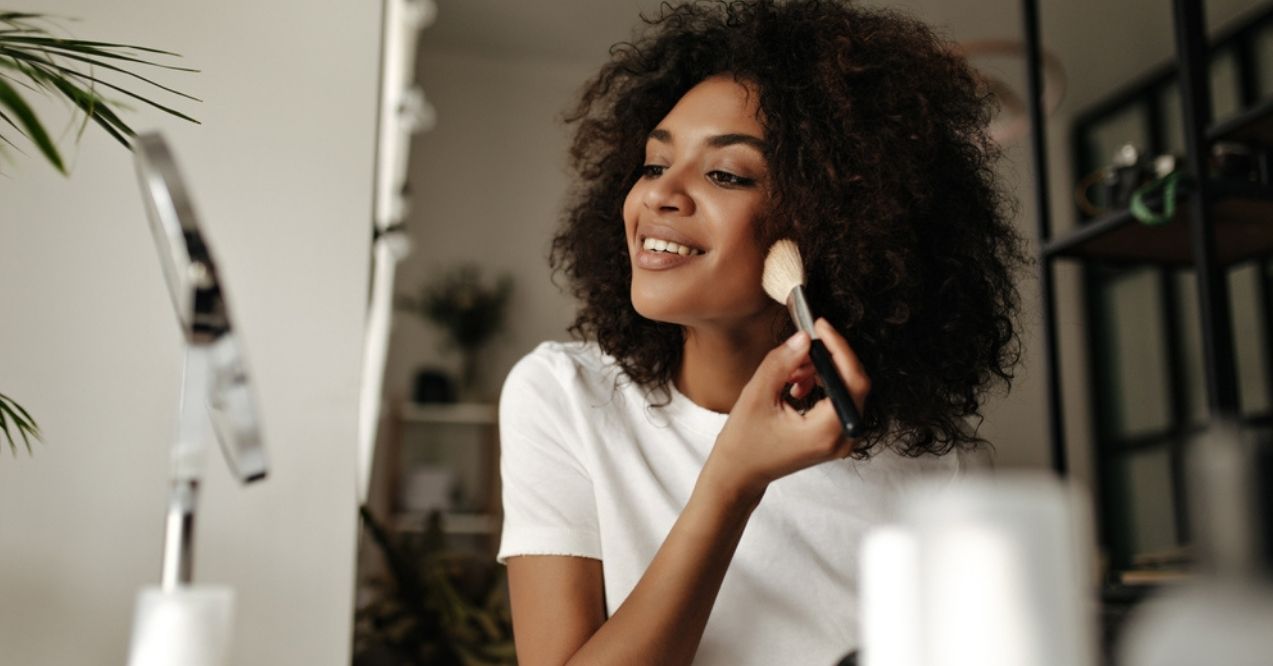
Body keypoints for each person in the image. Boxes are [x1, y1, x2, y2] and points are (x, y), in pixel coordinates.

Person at [496, 1, 1026, 664]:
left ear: (833, 224)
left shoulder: (931, 473)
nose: (660, 194)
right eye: (655, 165)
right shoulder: (567, 396)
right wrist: (731, 481)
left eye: (725, 174)